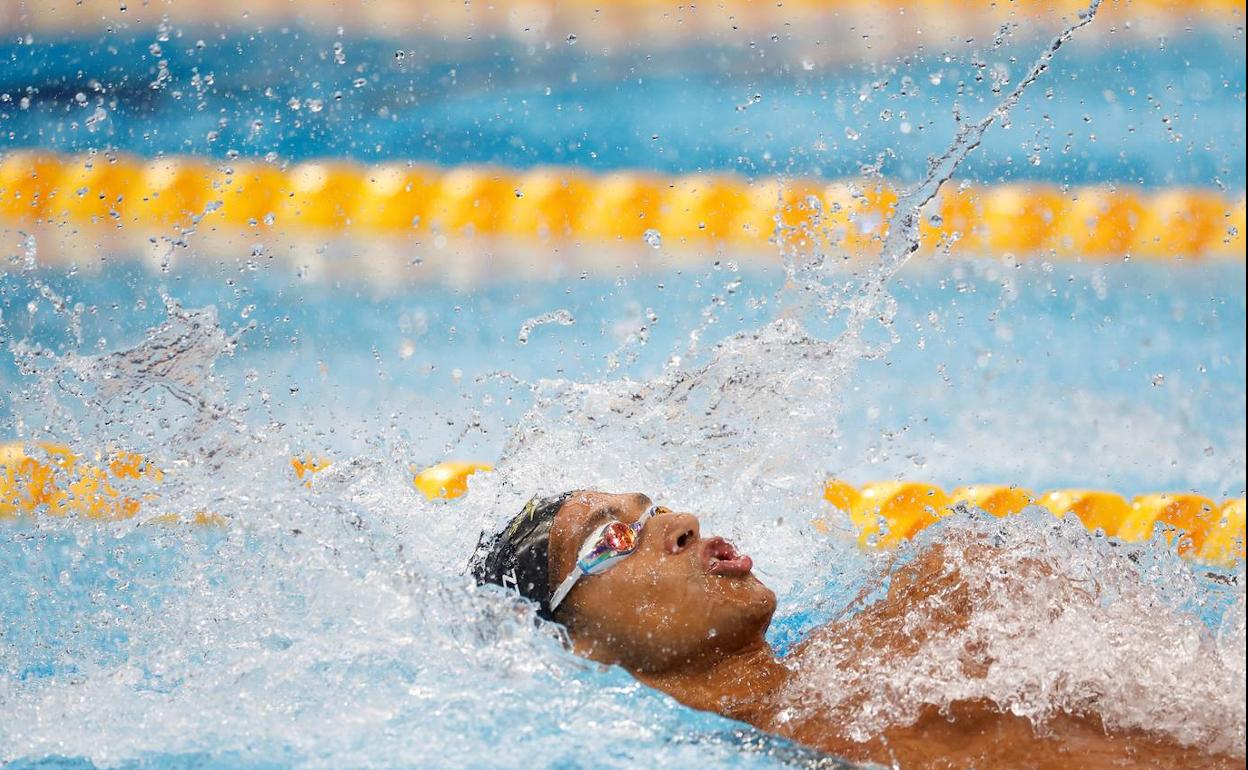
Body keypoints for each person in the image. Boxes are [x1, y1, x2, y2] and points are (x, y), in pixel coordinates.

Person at [470, 490, 1240, 770]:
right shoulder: (820, 745)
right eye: (612, 540)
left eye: (655, 507)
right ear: (577, 650)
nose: (681, 522)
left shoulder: (933, 586)